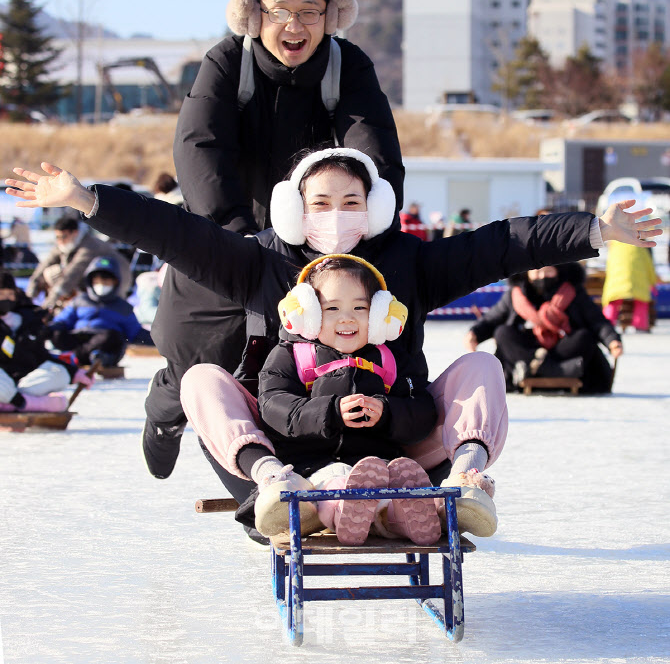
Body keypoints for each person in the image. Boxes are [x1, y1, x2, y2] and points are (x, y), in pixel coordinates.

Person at [6, 149, 661, 537]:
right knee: (202, 378)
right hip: (290, 440)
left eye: (352, 200)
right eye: (321, 202)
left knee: (482, 367)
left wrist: (595, 232)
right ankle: (275, 485)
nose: (337, 215)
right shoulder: (260, 261)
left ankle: (465, 480)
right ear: (295, 209)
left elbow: (504, 242)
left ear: (373, 207)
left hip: (400, 438)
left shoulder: (406, 262)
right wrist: (86, 199)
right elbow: (175, 232)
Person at [143, 0, 405, 481]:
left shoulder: (346, 65)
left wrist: (364, 217)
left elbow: (372, 144)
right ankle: (167, 412)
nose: (294, 25)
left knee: (305, 348)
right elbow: (200, 148)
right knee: (199, 351)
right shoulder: (225, 63)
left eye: (310, 11)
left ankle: (297, 464)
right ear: (254, 15)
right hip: (227, 231)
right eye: (281, 9)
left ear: (331, 16)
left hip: (310, 238)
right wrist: (234, 234)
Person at [253, 254, 442, 545]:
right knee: (337, 481)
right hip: (312, 465)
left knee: (384, 480)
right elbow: (273, 404)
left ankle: (401, 515)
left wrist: (389, 412)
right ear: (309, 314)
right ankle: (345, 513)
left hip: (376, 464)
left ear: (380, 314)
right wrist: (329, 412)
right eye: (332, 308)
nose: (347, 317)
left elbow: (423, 407)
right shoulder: (293, 355)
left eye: (360, 307)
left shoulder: (389, 357)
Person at [464, 263, 623, 393]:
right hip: (528, 350)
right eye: (537, 271)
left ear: (558, 271)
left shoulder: (573, 293)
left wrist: (613, 341)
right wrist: (475, 334)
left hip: (562, 349)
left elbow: (597, 321)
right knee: (503, 333)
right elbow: (493, 319)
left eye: (548, 271)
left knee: (584, 337)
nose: (542, 276)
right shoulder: (516, 295)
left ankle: (538, 369)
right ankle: (557, 370)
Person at [0, 271, 92, 413]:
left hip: (24, 381)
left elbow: (40, 355)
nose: (6, 299)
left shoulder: (27, 321)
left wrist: (73, 372)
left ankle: (13, 402)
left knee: (59, 372)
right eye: (2, 295)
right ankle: (27, 402)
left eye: (10, 294)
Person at [47, 255, 150, 368]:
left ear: (115, 282)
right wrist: (52, 328)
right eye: (97, 281)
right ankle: (72, 355)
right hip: (80, 337)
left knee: (110, 336)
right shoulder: (80, 300)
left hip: (104, 344)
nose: (101, 285)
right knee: (57, 334)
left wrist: (158, 339)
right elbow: (63, 320)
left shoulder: (123, 307)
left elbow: (135, 332)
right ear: (90, 282)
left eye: (105, 282)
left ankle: (85, 357)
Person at [26, 215, 132, 310]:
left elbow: (73, 273)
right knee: (51, 272)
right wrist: (31, 290)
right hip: (90, 284)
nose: (60, 241)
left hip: (113, 283)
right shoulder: (67, 243)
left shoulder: (89, 246)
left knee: (58, 274)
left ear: (75, 233)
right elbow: (46, 263)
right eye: (57, 237)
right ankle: (64, 304)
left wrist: (49, 302)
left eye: (63, 237)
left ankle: (69, 305)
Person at [601, 241, 659, 332]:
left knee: (612, 302)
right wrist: (653, 283)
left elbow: (609, 267)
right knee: (641, 302)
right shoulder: (641, 248)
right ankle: (640, 325)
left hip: (617, 281)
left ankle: (606, 324)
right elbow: (649, 267)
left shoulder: (615, 247)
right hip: (638, 282)